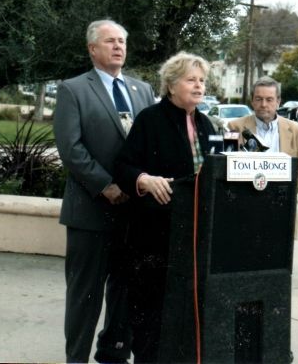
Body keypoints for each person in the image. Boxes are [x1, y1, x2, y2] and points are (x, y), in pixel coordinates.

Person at [53, 19, 154, 363]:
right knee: (85, 298)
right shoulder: (74, 89)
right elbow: (71, 148)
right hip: (91, 213)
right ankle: (76, 359)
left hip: (133, 215)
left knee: (125, 294)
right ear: (92, 49)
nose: (118, 47)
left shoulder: (142, 90)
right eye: (110, 41)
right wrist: (105, 186)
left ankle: (112, 355)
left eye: (122, 41)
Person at [114, 51, 216, 362]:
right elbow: (123, 166)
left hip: (194, 238)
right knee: (150, 316)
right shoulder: (150, 120)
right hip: (155, 236)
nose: (198, 86)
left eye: (202, 80)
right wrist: (144, 179)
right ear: (171, 85)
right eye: (191, 80)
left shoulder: (207, 124)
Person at [228, 76, 298, 193]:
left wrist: (282, 191)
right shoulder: (234, 127)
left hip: (282, 203)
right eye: (258, 99)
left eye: (269, 99)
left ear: (278, 102)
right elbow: (227, 168)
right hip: (247, 201)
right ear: (252, 101)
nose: (263, 104)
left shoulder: (295, 131)